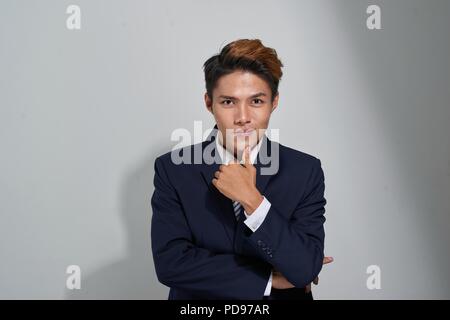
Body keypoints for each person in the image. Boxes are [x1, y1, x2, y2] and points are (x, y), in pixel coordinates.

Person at [151, 39, 331, 300]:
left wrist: (253, 201)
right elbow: (171, 264)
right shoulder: (173, 169)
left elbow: (303, 269)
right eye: (228, 102)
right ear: (208, 103)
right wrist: (267, 279)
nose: (243, 117)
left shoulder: (305, 171)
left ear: (274, 102)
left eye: (256, 101)